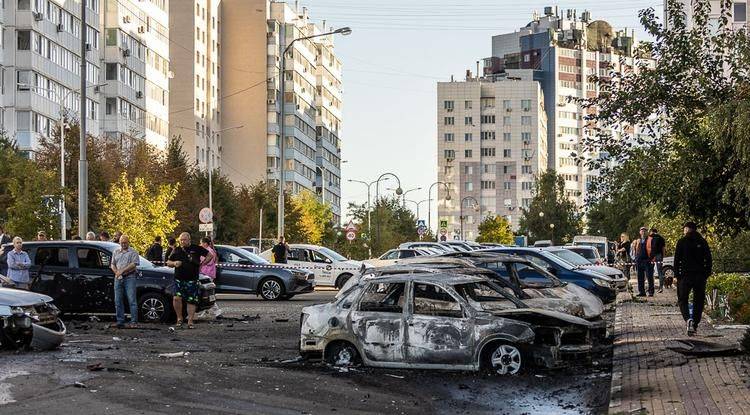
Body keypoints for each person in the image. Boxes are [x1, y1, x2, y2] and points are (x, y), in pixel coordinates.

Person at [675, 222, 712, 336]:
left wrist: (678, 275)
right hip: (700, 276)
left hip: (685, 276)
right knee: (698, 301)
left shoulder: (682, 242)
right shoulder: (702, 241)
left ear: (687, 229)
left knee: (682, 299)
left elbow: (677, 260)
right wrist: (706, 273)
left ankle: (688, 319)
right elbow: (709, 259)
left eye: (684, 229)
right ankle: (695, 324)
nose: (683, 231)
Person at [166, 232, 208, 329]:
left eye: (184, 240)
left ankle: (190, 321)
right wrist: (174, 263)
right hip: (178, 279)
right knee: (176, 298)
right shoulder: (176, 250)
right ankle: (179, 318)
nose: (182, 241)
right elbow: (168, 262)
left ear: (189, 240)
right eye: (181, 240)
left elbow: (210, 255)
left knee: (191, 301)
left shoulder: (196, 248)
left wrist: (202, 264)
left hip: (192, 279)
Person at [110, 235, 140, 328]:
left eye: (125, 242)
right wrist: (117, 272)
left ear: (128, 242)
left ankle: (134, 321)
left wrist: (122, 271)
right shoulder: (116, 252)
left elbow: (134, 264)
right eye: (122, 243)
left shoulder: (133, 252)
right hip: (118, 278)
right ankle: (120, 321)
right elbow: (112, 264)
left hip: (129, 277)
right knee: (118, 300)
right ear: (119, 243)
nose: (123, 244)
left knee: (132, 300)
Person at [631, 227, 654, 297]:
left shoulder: (650, 240)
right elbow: (634, 250)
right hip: (639, 260)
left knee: (649, 277)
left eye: (645, 231)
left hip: (647, 260)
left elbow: (653, 249)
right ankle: (642, 292)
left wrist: (651, 259)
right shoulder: (638, 240)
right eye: (642, 231)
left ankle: (651, 292)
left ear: (647, 232)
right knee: (640, 277)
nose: (643, 232)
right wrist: (635, 258)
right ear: (640, 232)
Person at [649, 228, 667, 293]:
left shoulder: (650, 237)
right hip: (659, 255)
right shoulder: (661, 238)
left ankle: (651, 287)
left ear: (651, 232)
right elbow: (663, 248)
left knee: (650, 271)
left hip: (652, 256)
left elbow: (649, 247)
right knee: (660, 272)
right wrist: (663, 256)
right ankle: (661, 287)